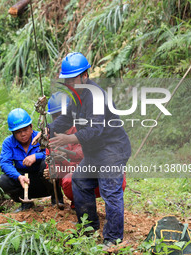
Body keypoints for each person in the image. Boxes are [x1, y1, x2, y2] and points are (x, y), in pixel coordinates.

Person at [47, 52, 131, 246]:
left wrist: (68, 137)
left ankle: (113, 239)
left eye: (72, 78)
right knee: (79, 180)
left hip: (112, 150)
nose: (69, 83)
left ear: (85, 75)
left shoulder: (96, 96)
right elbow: (67, 118)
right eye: (66, 79)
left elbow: (95, 129)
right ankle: (89, 229)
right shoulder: (77, 95)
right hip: (96, 151)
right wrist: (47, 130)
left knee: (110, 190)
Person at [46, 92, 127, 209]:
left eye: (62, 115)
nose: (60, 119)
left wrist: (70, 154)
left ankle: (113, 207)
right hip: (77, 180)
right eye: (55, 116)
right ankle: (80, 206)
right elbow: (54, 168)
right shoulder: (51, 139)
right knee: (69, 181)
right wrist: (53, 172)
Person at [0, 108, 62, 212]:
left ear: (31, 127)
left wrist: (36, 156)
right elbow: (5, 163)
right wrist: (18, 177)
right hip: (24, 182)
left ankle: (57, 200)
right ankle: (26, 203)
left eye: (25, 130)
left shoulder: (41, 137)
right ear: (13, 133)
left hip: (44, 181)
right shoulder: (8, 143)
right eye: (18, 132)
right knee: (4, 180)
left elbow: (54, 153)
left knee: (47, 163)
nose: (23, 134)